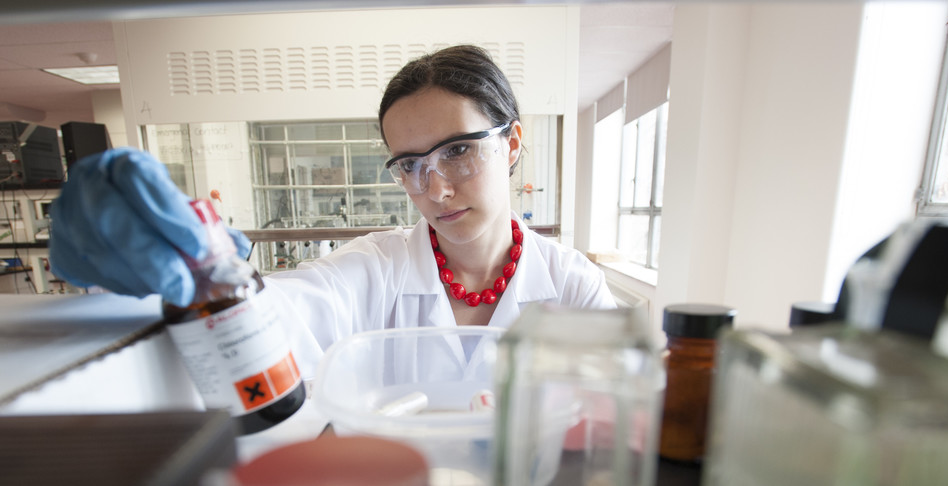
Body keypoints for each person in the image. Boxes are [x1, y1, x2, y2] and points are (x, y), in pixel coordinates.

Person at [49, 44, 615, 376]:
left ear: (512, 144)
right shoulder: (374, 270)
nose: (435, 189)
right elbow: (285, 311)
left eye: (459, 151)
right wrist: (206, 269)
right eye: (410, 164)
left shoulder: (573, 287)